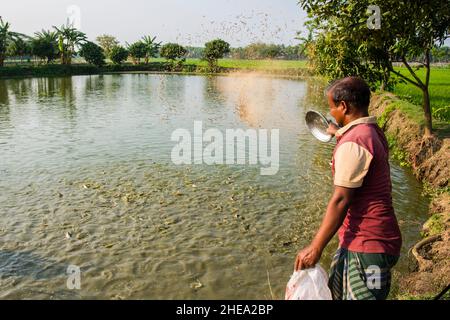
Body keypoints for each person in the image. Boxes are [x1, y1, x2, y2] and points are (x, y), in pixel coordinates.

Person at [295, 76, 402, 300]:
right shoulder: (371, 131)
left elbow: (341, 200)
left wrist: (316, 247)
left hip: (368, 246)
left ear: (344, 106)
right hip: (368, 239)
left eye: (332, 107)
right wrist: (336, 132)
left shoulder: (354, 143)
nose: (331, 112)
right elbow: (354, 137)